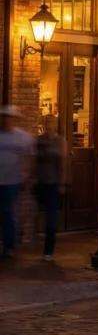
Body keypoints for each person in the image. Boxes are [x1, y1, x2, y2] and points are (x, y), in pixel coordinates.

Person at [0, 106, 33, 259]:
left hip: (12, 181)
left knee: (8, 212)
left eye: (9, 117)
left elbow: (28, 158)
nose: (6, 120)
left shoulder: (23, 137)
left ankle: (9, 246)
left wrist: (25, 175)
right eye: (4, 117)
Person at [36, 117, 67, 261]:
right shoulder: (39, 141)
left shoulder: (60, 141)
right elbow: (33, 159)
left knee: (51, 218)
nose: (49, 125)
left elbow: (62, 163)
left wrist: (62, 183)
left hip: (53, 183)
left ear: (55, 125)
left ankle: (48, 250)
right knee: (34, 213)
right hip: (39, 182)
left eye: (51, 123)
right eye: (47, 123)